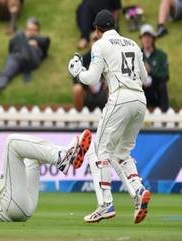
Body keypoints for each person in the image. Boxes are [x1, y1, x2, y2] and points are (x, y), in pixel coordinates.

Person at [68, 9, 151, 224]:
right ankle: (139, 190)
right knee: (121, 153)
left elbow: (90, 79)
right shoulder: (132, 44)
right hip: (140, 101)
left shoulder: (100, 44)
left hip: (120, 98)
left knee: (97, 151)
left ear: (97, 29)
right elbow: (146, 78)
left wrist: (77, 71)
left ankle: (105, 204)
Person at [0, 130, 92, 221]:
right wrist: (7, 177)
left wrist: (10, 178)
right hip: (10, 208)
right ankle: (62, 157)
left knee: (32, 157)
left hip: (22, 208)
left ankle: (66, 155)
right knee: (12, 142)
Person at [0, 17, 50, 94]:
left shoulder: (42, 40)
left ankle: (26, 70)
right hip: (18, 58)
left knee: (20, 38)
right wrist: (26, 40)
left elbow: (46, 43)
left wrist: (35, 42)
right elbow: (11, 48)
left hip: (33, 60)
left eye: (34, 30)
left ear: (38, 31)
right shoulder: (20, 37)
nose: (31, 32)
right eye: (29, 29)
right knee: (7, 70)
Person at [72, 33, 108, 111]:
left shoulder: (110, 58)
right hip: (87, 91)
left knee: (115, 90)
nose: (97, 42)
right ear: (90, 43)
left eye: (99, 40)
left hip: (104, 92)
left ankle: (113, 117)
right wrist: (86, 83)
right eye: (95, 39)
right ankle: (78, 118)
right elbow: (76, 79)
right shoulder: (82, 60)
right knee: (77, 89)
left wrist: (107, 84)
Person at [139, 24, 170, 112]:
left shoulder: (161, 55)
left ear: (153, 38)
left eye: (149, 36)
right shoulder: (136, 55)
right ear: (141, 39)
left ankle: (165, 115)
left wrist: (151, 71)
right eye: (144, 37)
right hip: (141, 89)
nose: (146, 39)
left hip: (155, 89)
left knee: (162, 86)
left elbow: (165, 76)